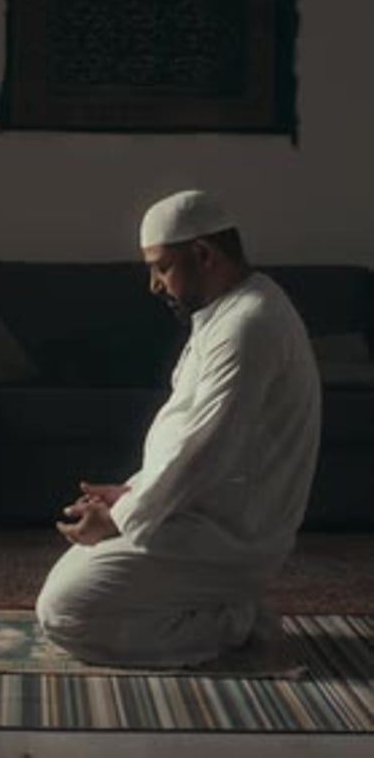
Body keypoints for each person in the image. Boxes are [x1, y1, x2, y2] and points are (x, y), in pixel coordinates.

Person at [35, 189, 321, 668]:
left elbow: (203, 451)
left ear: (204, 255)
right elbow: (191, 440)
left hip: (229, 536)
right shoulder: (230, 312)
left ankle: (235, 621)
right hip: (193, 517)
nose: (154, 285)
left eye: (161, 267)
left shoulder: (249, 325)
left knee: (66, 614)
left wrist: (120, 517)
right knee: (69, 593)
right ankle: (219, 609)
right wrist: (130, 494)